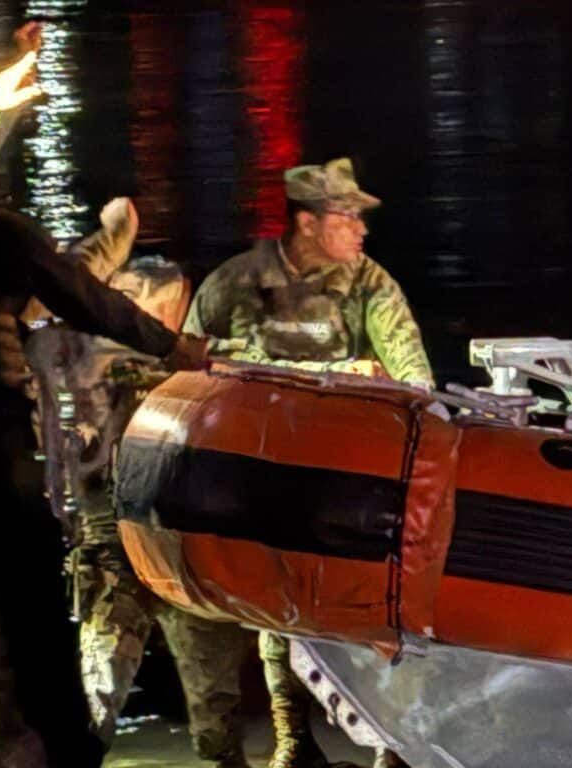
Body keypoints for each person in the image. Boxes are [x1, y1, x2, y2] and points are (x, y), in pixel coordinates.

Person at [0, 116, 206, 768]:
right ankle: (59, 749)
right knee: (30, 618)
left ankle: (0, 740)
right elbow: (79, 291)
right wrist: (174, 343)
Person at [185, 157, 430, 768]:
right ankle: (292, 737)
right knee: (276, 609)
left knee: (366, 613)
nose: (361, 230)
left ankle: (389, 747)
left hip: (349, 474)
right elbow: (191, 370)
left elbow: (412, 374)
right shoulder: (236, 284)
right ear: (308, 224)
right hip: (263, 473)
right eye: (347, 217)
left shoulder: (371, 285)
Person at [37, 199, 252, 768]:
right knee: (103, 680)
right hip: (121, 543)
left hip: (181, 544)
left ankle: (220, 753)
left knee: (209, 689)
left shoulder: (179, 360)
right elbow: (65, 287)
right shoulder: (82, 357)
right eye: (168, 303)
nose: (175, 316)